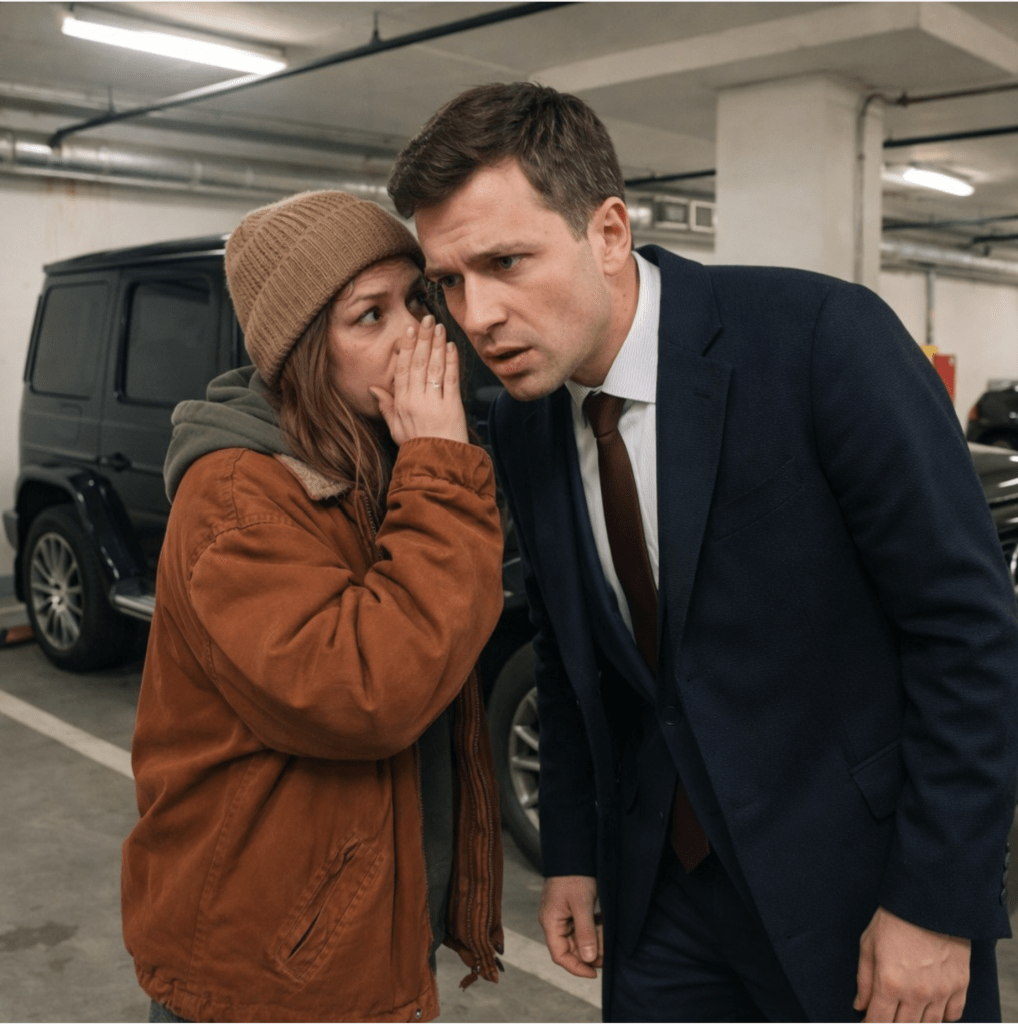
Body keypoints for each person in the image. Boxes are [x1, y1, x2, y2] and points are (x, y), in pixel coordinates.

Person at [387, 83, 1018, 1022]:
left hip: (855, 892)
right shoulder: (524, 424)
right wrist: (572, 851)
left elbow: (967, 633)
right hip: (661, 903)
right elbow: (568, 654)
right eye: (449, 282)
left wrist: (935, 901)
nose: (475, 316)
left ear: (608, 232)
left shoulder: (820, 339)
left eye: (505, 262)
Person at [121, 190, 505, 1024]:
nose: (416, 334)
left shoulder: (367, 454)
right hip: (265, 974)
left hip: (349, 948)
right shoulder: (237, 496)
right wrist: (439, 462)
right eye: (370, 315)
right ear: (302, 352)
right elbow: (369, 692)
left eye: (416, 301)